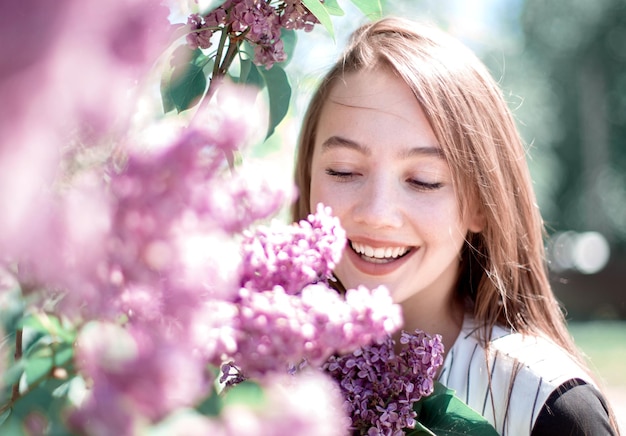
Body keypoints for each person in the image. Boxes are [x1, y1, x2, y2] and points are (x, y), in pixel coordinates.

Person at [291, 17, 619, 435]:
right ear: (305, 179)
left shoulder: (548, 409)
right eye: (343, 171)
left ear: (481, 205)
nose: (376, 213)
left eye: (423, 180)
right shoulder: (260, 371)